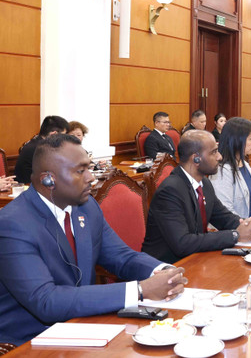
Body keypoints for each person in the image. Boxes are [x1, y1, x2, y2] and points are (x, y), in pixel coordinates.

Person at [0, 134, 187, 345]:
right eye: (80, 171)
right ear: (48, 179)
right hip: (29, 341)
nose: (91, 177)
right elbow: (46, 301)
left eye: (88, 168)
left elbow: (121, 256)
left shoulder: (86, 207)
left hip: (84, 324)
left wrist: (163, 272)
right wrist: (140, 290)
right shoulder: (12, 224)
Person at [142, 130, 251, 264]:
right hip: (167, 268)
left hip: (196, 259)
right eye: (214, 152)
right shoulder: (170, 191)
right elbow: (183, 243)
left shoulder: (204, 183)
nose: (219, 157)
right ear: (196, 159)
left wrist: (248, 226)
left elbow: (223, 218)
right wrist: (235, 235)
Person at [210, 118, 251, 219]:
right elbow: (226, 212)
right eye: (250, 139)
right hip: (235, 230)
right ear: (237, 140)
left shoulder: (245, 165)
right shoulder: (222, 171)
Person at [15, 115, 69, 184]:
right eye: (63, 135)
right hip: (30, 187)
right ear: (54, 134)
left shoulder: (36, 142)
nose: (63, 139)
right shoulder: (42, 148)